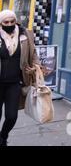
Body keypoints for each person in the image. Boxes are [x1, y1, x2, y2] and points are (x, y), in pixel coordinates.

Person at [0, 10, 40, 146]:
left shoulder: (25, 34)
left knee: (12, 116)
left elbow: (33, 52)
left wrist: (35, 66)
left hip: (15, 83)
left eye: (12, 21)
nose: (10, 24)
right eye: (6, 22)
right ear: (1, 23)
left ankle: (3, 136)